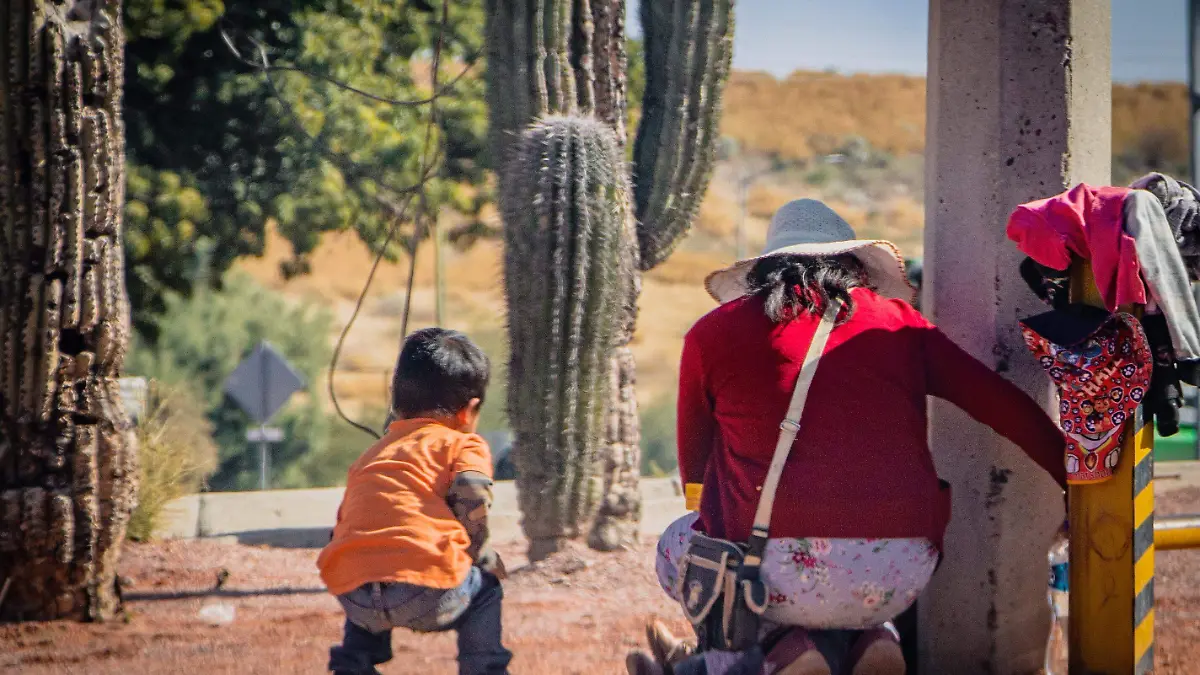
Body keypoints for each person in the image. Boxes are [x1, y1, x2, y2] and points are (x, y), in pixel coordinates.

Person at [629, 200, 1068, 675]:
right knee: (840, 581)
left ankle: (784, 649)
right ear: (855, 267)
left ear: (764, 269)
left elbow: (694, 468)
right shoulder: (902, 325)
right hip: (898, 572)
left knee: (680, 546)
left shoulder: (711, 334)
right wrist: (1071, 482)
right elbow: (1005, 407)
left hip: (769, 570)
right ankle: (874, 637)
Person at [318, 328, 512, 675]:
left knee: (365, 562)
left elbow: (346, 526)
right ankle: (484, 669)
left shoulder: (371, 456)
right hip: (426, 591)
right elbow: (472, 490)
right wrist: (481, 557)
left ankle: (354, 664)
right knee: (486, 592)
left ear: (396, 403)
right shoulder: (461, 443)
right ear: (469, 412)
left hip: (353, 595)